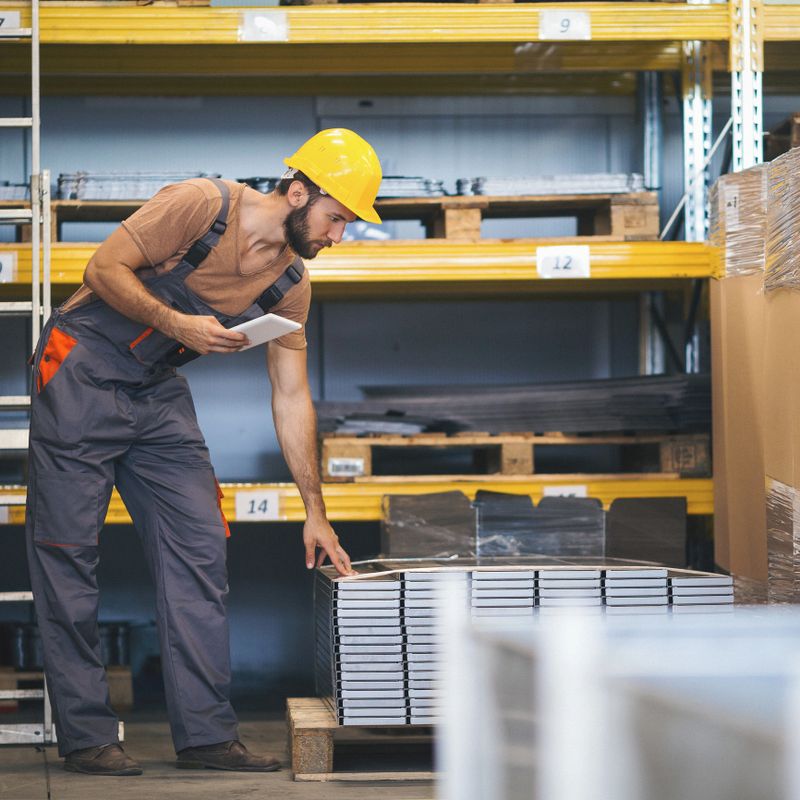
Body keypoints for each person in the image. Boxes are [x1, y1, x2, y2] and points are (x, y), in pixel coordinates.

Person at [25, 129, 382, 776]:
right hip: (77, 371)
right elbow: (100, 269)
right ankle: (86, 736)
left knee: (199, 544)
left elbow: (291, 395)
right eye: (336, 219)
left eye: (348, 225)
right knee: (66, 553)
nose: (339, 236)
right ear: (298, 192)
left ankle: (206, 735)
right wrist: (176, 322)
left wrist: (315, 510)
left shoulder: (291, 286)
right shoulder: (200, 204)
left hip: (155, 392)